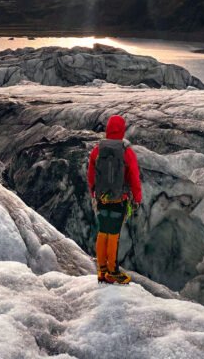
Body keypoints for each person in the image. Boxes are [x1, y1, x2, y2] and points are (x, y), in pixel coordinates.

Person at [87, 114, 142, 285]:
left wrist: (93, 191)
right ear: (122, 130)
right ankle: (112, 271)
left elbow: (91, 173)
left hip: (102, 197)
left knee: (103, 232)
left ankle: (102, 270)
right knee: (114, 235)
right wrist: (137, 197)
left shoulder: (98, 149)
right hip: (120, 199)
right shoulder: (126, 151)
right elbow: (134, 176)